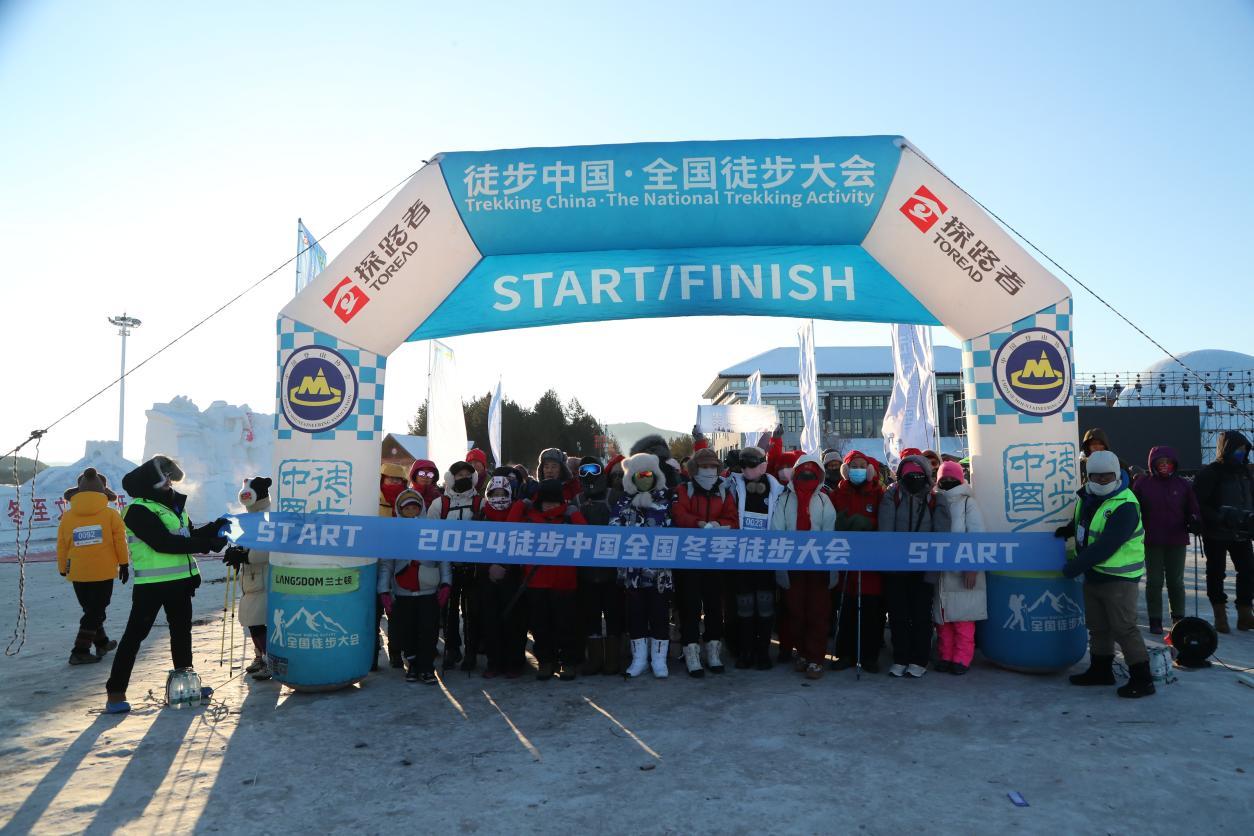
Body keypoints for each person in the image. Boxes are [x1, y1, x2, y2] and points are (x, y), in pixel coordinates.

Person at [105, 456, 228, 714]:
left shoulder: (174, 506)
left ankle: (187, 684)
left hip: (180, 582)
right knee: (134, 637)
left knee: (181, 633)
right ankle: (116, 692)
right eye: (165, 477)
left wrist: (213, 528)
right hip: (151, 586)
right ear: (151, 482)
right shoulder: (138, 510)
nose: (170, 482)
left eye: (171, 477)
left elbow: (187, 535)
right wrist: (207, 544)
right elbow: (163, 543)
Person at [1055, 450, 1155, 698]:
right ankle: (1100, 671)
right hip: (1094, 574)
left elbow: (1107, 544)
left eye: (1106, 476)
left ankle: (1143, 679)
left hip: (1118, 577)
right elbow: (1084, 523)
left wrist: (1075, 566)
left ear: (1116, 474)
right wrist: (1068, 529)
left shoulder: (1126, 504)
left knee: (1124, 628)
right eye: (1096, 476)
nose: (1101, 481)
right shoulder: (1086, 496)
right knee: (1098, 626)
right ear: (1088, 476)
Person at [879, 454, 950, 678]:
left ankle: (920, 659)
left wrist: (933, 569)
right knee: (898, 614)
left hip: (924, 568)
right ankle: (900, 657)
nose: (914, 479)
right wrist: (889, 565)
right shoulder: (892, 495)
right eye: (909, 475)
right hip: (896, 567)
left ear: (926, 476)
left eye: (918, 475)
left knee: (921, 615)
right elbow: (885, 532)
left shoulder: (936, 499)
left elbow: (941, 536)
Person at [671, 447, 738, 677]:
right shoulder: (684, 489)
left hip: (715, 557)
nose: (709, 470)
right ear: (694, 468)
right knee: (689, 606)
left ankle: (713, 651)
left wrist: (720, 525)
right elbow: (679, 514)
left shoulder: (724, 490)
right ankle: (691, 652)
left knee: (714, 606)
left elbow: (733, 518)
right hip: (689, 557)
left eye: (712, 466)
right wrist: (698, 523)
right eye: (704, 466)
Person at [771, 454, 838, 680]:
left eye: (812, 472)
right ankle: (801, 652)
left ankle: (816, 657)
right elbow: (777, 530)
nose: (807, 476)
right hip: (793, 565)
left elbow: (829, 531)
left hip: (818, 566)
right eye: (803, 472)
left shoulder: (824, 500)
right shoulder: (784, 499)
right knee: (795, 611)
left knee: (818, 613)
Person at [612, 452, 675, 678]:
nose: (644, 479)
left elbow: (675, 530)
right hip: (633, 572)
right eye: (639, 475)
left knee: (659, 615)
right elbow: (613, 528)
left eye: (648, 474)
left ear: (655, 475)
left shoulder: (666, 500)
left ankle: (659, 660)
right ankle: (639, 659)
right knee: (636, 615)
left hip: (660, 572)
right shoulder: (623, 501)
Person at [57, 467, 128, 665]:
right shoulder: (111, 514)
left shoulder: (68, 516)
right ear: (103, 492)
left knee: (91, 610)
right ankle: (80, 651)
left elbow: (62, 545)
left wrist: (62, 567)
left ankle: (102, 643)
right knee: (96, 612)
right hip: (103, 571)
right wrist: (124, 563)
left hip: (77, 571)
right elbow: (120, 541)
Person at [379, 488, 451, 684]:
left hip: (428, 590)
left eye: (414, 507)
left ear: (421, 508)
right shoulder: (393, 533)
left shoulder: (432, 529)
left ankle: (427, 667)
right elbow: (386, 564)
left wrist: (446, 583)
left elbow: (443, 558)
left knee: (429, 630)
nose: (411, 511)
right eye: (406, 508)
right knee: (407, 631)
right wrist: (383, 590)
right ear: (399, 510)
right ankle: (412, 664)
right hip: (403, 591)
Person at [1131, 445, 1202, 634]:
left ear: (1174, 464)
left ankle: (1178, 618)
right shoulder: (1143, 484)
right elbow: (1133, 509)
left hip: (1176, 538)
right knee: (1154, 581)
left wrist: (1195, 519)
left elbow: (1193, 508)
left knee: (1176, 581)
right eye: (1160, 462)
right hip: (1152, 539)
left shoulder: (1182, 484)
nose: (1164, 465)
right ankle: (1155, 619)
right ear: (1152, 464)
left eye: (1168, 462)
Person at [521, 479, 586, 681]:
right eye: (546, 501)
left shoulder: (569, 517)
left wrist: (574, 513)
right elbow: (509, 531)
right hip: (536, 581)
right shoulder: (530, 518)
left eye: (554, 501)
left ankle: (568, 661)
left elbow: (586, 535)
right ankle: (545, 661)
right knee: (540, 625)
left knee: (566, 625)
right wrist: (520, 505)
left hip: (564, 581)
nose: (550, 505)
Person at [725, 444, 782, 670]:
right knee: (744, 606)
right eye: (744, 463)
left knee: (765, 606)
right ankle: (745, 650)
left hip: (766, 556)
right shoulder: (732, 485)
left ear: (763, 465)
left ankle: (763, 651)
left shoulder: (777, 489)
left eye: (752, 463)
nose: (747, 468)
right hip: (741, 555)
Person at [829, 451, 886, 673]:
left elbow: (885, 520)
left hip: (871, 563)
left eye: (863, 465)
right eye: (854, 466)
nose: (858, 469)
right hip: (845, 563)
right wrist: (839, 524)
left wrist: (869, 523)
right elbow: (829, 519)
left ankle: (869, 656)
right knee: (846, 610)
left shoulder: (879, 493)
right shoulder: (838, 493)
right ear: (846, 470)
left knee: (871, 612)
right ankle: (845, 654)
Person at [1193, 430, 1254, 632]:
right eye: (1238, 450)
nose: (1242, 453)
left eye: (1244, 450)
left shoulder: (1246, 472)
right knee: (1216, 573)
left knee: (1248, 571)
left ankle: (1245, 614)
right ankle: (1220, 616)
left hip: (1242, 532)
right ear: (1227, 449)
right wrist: (1220, 517)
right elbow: (1199, 503)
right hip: (1216, 533)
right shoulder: (1211, 473)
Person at [931, 462, 986, 675]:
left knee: (963, 617)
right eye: (943, 478)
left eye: (951, 478)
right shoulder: (934, 500)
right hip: (940, 570)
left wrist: (972, 566)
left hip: (963, 570)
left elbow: (977, 535)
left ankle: (962, 658)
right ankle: (945, 655)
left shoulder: (967, 503)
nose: (947, 482)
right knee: (942, 618)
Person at [574, 456, 625, 675]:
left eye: (593, 469)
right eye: (583, 471)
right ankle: (594, 658)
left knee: (613, 613)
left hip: (611, 571)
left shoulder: (613, 496)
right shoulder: (577, 500)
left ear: (602, 473)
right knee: (590, 614)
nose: (589, 475)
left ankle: (613, 658)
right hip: (586, 571)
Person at [429, 461, 482, 670]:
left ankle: (471, 651)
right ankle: (452, 649)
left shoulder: (480, 502)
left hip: (472, 566)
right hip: (447, 566)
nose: (464, 478)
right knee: (448, 610)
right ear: (451, 478)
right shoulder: (439, 504)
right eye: (459, 475)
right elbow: (430, 533)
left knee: (472, 611)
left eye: (468, 475)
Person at [477, 470, 528, 678]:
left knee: (514, 620)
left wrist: (506, 567)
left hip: (513, 575)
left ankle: (515, 662)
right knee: (490, 619)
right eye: (494, 493)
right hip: (487, 576)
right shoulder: (481, 515)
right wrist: (489, 567)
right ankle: (494, 662)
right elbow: (474, 546)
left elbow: (524, 543)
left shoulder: (520, 514)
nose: (499, 497)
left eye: (503, 493)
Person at [223, 477, 274, 681]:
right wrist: (238, 552)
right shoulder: (251, 516)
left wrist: (245, 556)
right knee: (252, 620)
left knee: (260, 620)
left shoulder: (269, 515)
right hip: (252, 577)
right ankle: (260, 656)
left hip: (265, 577)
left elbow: (268, 549)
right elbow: (249, 542)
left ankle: (270, 660)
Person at [375, 463, 409, 670]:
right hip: (374, 562)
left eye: (398, 480)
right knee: (374, 611)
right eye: (390, 479)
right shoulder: (371, 500)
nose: (394, 483)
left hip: (398, 564)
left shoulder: (408, 502)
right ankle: (372, 654)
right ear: (382, 479)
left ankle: (396, 651)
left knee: (396, 612)